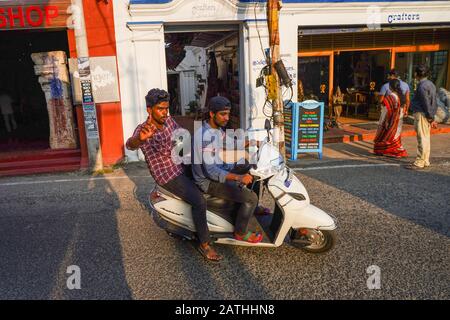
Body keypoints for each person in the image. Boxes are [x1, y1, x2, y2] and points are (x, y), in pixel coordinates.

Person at [126, 88, 222, 262]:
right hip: (168, 175)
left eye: (166, 108)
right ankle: (205, 244)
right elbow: (130, 144)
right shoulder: (144, 129)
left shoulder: (168, 121)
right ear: (149, 109)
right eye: (160, 109)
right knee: (199, 201)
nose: (165, 112)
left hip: (181, 164)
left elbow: (182, 137)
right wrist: (140, 139)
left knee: (213, 171)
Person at [192, 96, 263, 244]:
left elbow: (230, 143)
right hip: (208, 182)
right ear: (212, 114)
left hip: (220, 168)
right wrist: (238, 178)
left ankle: (251, 209)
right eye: (223, 114)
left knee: (252, 168)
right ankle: (240, 232)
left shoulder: (216, 129)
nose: (226, 118)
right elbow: (211, 172)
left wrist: (253, 142)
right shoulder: (204, 137)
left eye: (228, 114)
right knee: (251, 198)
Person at [406, 65, 438, 170]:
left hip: (421, 113)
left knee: (421, 138)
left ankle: (420, 161)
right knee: (426, 137)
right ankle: (425, 160)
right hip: (427, 113)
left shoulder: (422, 86)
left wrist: (429, 116)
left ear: (417, 74)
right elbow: (433, 102)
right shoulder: (431, 84)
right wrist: (432, 116)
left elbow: (425, 102)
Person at [373, 79, 408, 158]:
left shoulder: (390, 97)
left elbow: (386, 110)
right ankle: (397, 149)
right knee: (395, 135)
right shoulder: (401, 97)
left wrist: (383, 121)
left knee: (385, 135)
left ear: (390, 87)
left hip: (390, 120)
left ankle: (389, 151)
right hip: (398, 120)